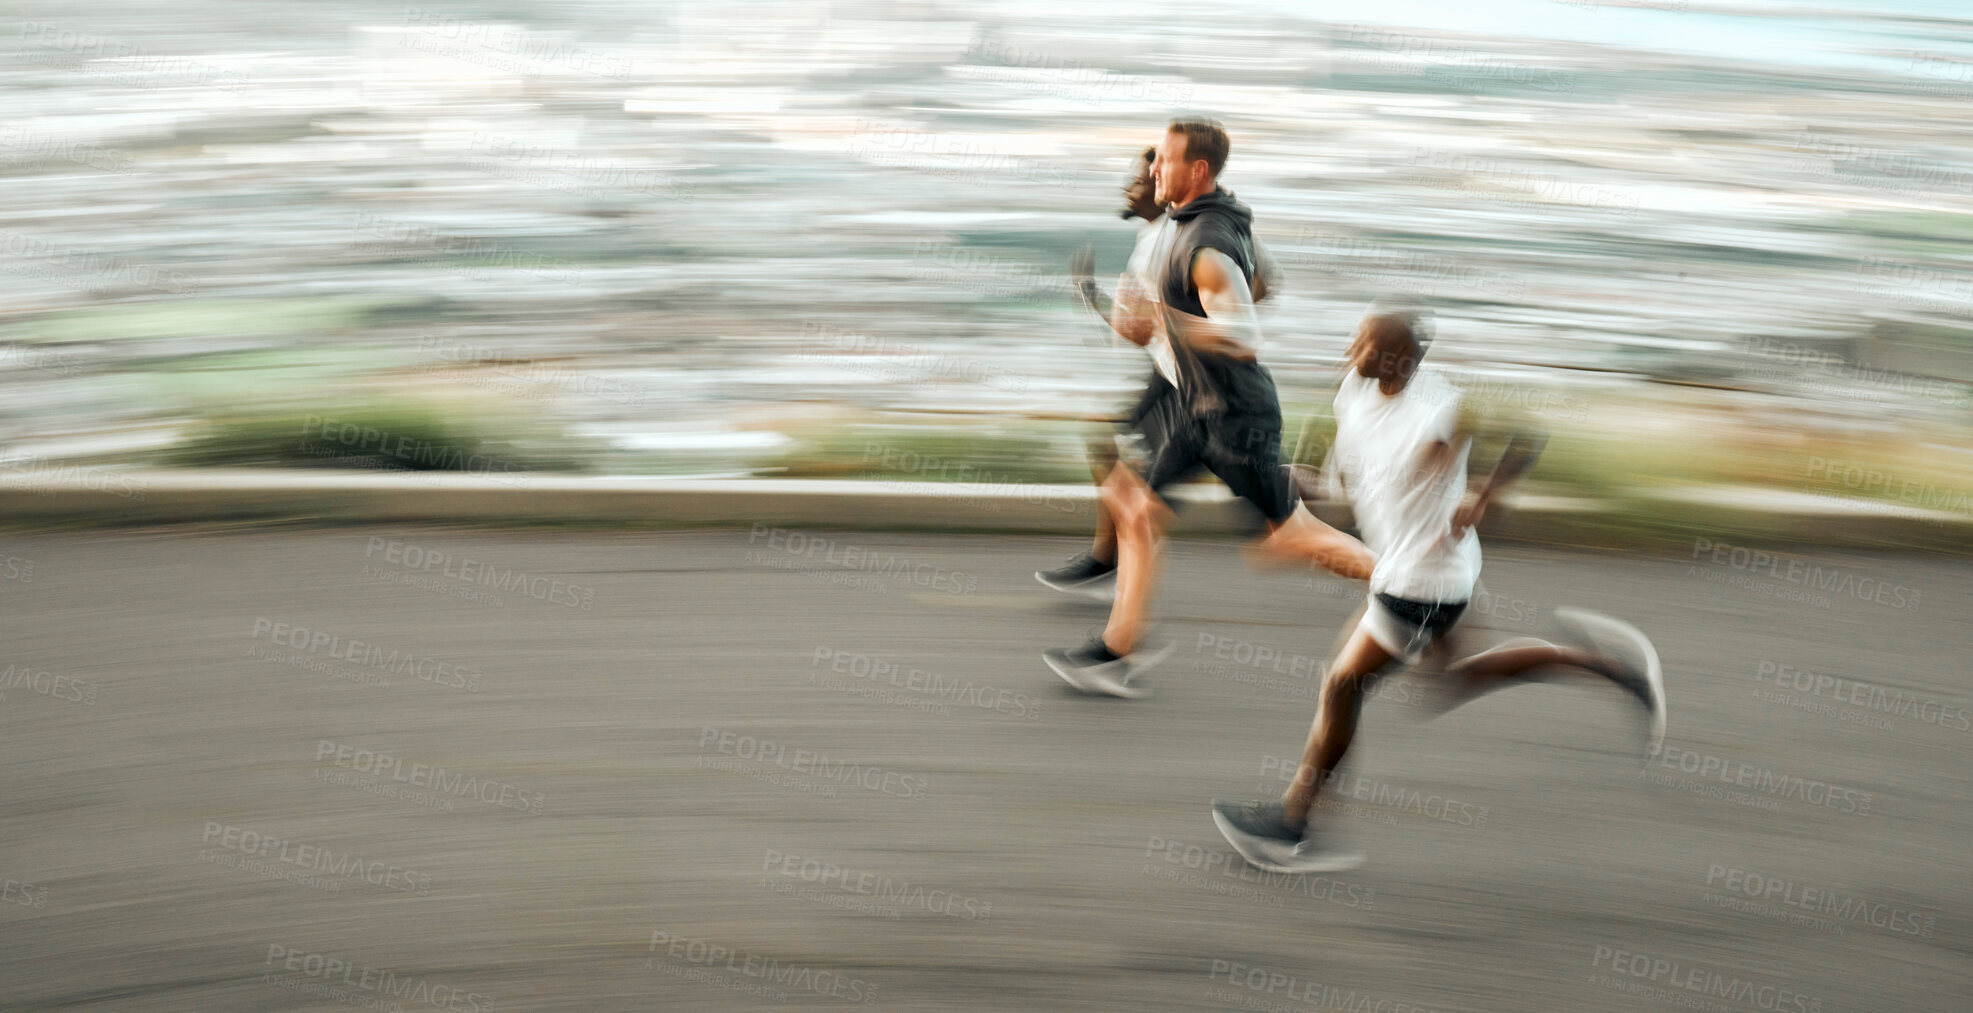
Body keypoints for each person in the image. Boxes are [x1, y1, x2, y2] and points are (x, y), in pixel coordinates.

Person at [1211, 307, 1667, 873]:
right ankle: (1612, 668)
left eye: (1367, 344)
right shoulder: (1355, 390)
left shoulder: (1441, 409)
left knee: (1341, 687)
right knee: (1452, 682)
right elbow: (1343, 482)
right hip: (1413, 571)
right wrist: (1294, 480)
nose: (1352, 350)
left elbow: (1527, 434)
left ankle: (1291, 825)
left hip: (1423, 586)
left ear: (1402, 359)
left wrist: (1485, 497)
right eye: (1356, 339)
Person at [1043, 118, 1374, 697]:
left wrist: (1167, 321)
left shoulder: (1206, 244)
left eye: (1162, 161)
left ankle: (1411, 589)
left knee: (1291, 539)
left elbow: (1242, 335)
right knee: (1140, 514)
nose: (1150, 170)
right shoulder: (1196, 224)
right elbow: (1261, 286)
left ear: (1196, 170)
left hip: (1234, 417)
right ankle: (1116, 654)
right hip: (1198, 405)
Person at [1040, 145, 1282, 602]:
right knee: (1113, 453)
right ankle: (1107, 563)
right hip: (1171, 374)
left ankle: (1115, 587)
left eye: (1139, 178)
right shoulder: (1159, 236)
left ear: (1161, 188)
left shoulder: (1175, 239)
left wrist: (1207, 324)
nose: (1129, 186)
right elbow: (1142, 328)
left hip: (1192, 384)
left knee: (1148, 494)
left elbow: (1141, 327)